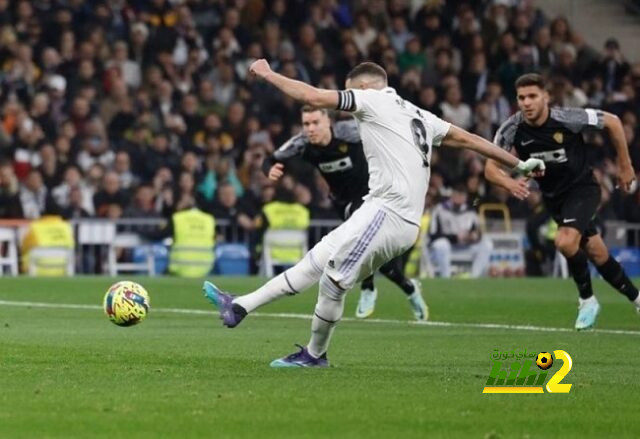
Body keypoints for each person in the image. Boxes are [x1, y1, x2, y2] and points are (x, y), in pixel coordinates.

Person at [203, 60, 544, 367]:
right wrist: (517, 163)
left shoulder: (372, 100)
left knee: (333, 280)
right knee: (318, 259)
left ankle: (314, 355)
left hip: (389, 211)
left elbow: (318, 98)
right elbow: (468, 139)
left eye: (350, 94)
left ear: (363, 87)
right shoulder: (418, 113)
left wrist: (268, 74)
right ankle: (240, 306)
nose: (348, 104)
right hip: (380, 209)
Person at [485, 73, 639, 330]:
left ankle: (587, 300)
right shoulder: (512, 128)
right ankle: (637, 299)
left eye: (533, 96)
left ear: (546, 97)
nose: (527, 102)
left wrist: (625, 164)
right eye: (521, 97)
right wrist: (509, 182)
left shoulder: (567, 118)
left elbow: (613, 121)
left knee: (565, 242)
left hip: (583, 190)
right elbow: (490, 167)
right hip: (555, 199)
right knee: (598, 254)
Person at [263, 105, 428, 320]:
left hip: (373, 196)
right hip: (342, 203)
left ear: (329, 122)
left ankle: (369, 289)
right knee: (380, 260)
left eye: (315, 123)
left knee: (364, 244)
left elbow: (386, 130)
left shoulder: (352, 132)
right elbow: (270, 159)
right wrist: (270, 169)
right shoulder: (301, 143)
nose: (310, 129)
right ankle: (409, 289)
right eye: (306, 124)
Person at [428, 184, 492, 278]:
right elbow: (433, 234)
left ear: (465, 198)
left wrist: (474, 236)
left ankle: (474, 278)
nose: (459, 198)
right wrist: (455, 237)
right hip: (447, 246)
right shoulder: (439, 209)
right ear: (452, 195)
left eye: (462, 196)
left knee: (487, 244)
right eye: (457, 195)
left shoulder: (470, 211)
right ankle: (445, 277)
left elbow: (477, 232)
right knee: (441, 244)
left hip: (465, 245)